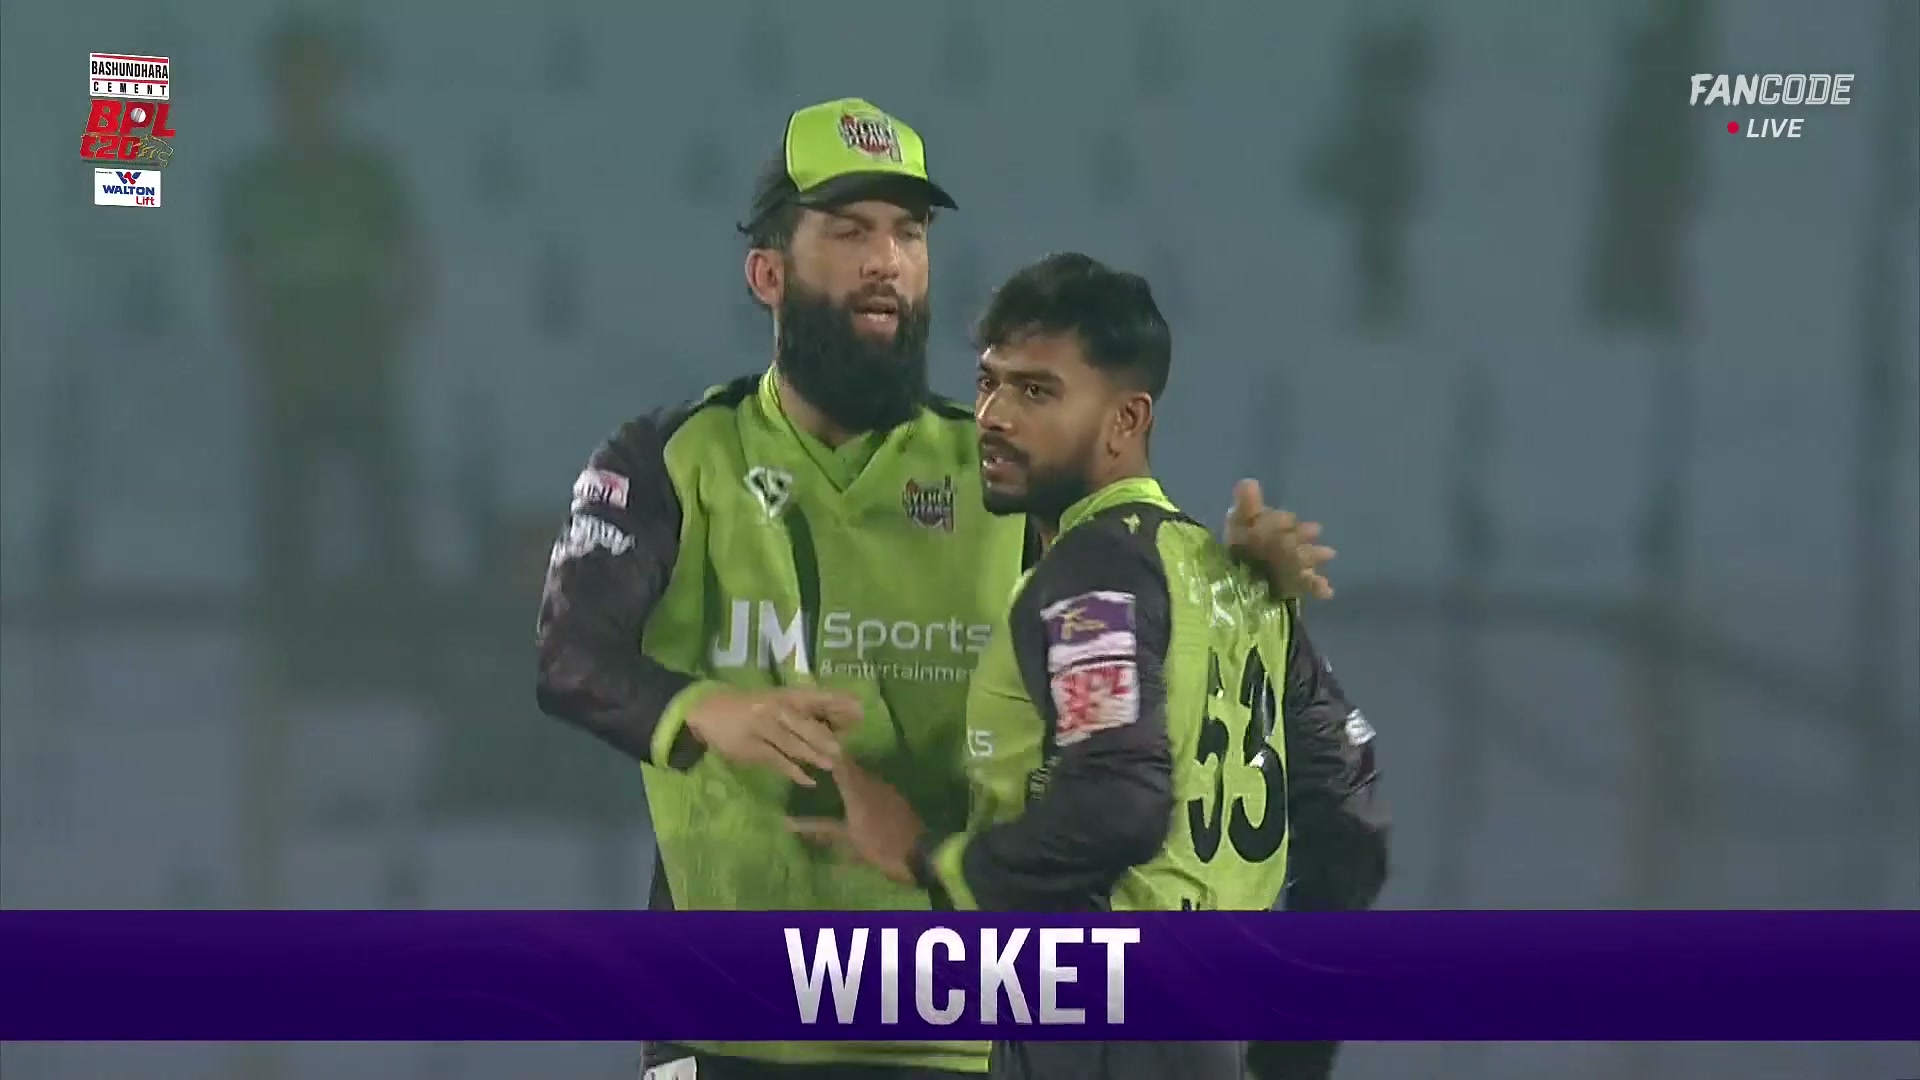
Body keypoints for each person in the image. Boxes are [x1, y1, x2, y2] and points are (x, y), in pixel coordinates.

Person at [534, 99, 1337, 1080]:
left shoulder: (1002, 467)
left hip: (952, 1026)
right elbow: (571, 655)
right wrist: (710, 710)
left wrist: (1234, 581)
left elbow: (1134, 609)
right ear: (768, 273)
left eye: (909, 233)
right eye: (849, 231)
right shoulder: (672, 458)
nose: (888, 260)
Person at [789, 253, 1389, 1080]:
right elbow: (1353, 819)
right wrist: (1290, 1057)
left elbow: (1119, 802)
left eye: (1037, 392)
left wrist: (938, 864)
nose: (994, 416)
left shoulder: (1093, 571)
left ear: (1125, 420)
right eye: (989, 382)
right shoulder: (1242, 586)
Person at [218, 13, 429, 594]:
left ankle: (403, 619)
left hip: (361, 359)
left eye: (316, 81)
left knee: (384, 505)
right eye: (294, 82)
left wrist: (391, 331)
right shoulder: (252, 181)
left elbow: (413, 262)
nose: (306, 98)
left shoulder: (368, 174)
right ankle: (284, 625)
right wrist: (260, 346)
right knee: (285, 509)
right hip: (288, 365)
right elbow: (236, 279)